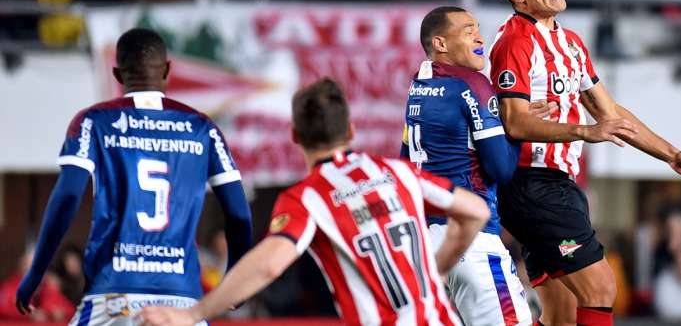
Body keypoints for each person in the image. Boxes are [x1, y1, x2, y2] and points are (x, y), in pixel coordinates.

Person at [488, 0, 681, 326]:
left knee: (562, 316)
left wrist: (671, 155)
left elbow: (610, 111)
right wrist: (585, 130)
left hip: (558, 184)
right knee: (601, 288)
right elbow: (515, 120)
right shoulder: (515, 41)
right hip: (530, 181)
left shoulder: (570, 43)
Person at [138, 77, 491, 326]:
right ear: (350, 130)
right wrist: (436, 267)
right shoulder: (398, 172)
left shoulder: (308, 196)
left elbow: (269, 264)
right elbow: (475, 211)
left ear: (294, 135)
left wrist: (191, 314)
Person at [15, 27, 253, 323]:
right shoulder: (203, 128)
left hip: (114, 296)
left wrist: (35, 273)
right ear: (168, 69)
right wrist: (235, 280)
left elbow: (67, 197)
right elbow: (239, 214)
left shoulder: (94, 121)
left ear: (117, 74)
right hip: (182, 302)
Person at [402, 6, 557, 325]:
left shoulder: (418, 85)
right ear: (441, 43)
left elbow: (407, 160)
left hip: (428, 238)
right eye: (468, 30)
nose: (480, 37)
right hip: (473, 239)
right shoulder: (473, 84)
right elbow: (501, 170)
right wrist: (517, 130)